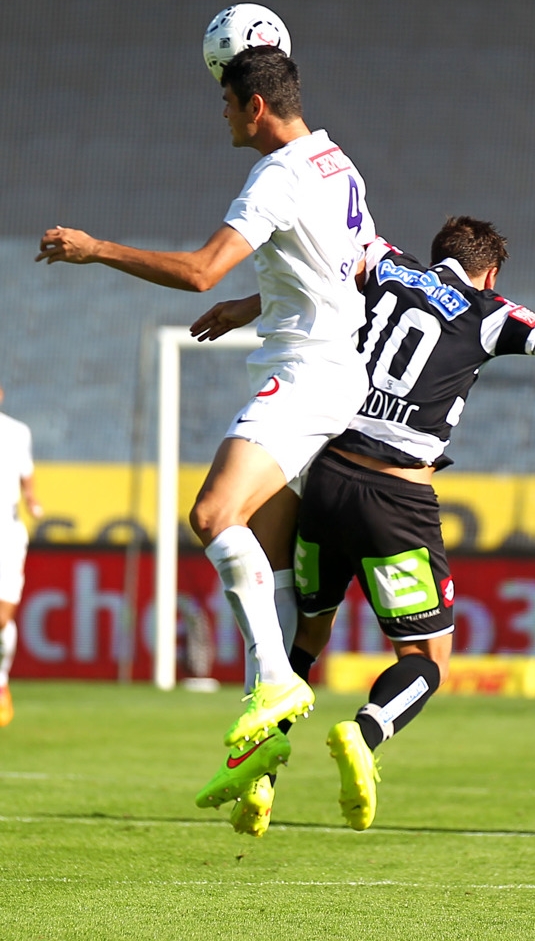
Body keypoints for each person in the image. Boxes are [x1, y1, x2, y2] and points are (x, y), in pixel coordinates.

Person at [191, 216, 535, 836]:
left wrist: (245, 307)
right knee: (427, 657)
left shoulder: (383, 263)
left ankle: (260, 772)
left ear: (438, 255)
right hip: (397, 499)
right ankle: (365, 730)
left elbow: (315, 281)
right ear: (489, 272)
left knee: (307, 634)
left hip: (325, 480)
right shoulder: (491, 311)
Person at [36, 46, 376, 752]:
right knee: (271, 556)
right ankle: (265, 744)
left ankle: (276, 682)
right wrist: (254, 303)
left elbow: (197, 272)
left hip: (306, 376)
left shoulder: (275, 177)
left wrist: (95, 249)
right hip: (342, 372)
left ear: (254, 106)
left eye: (224, 101)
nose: (219, 113)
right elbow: (352, 268)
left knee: (214, 514)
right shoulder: (335, 161)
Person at [0, 386, 43, 726]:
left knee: (2, 617)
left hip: (7, 533)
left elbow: (26, 474)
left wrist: (32, 501)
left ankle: (1, 681)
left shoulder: (16, 431)